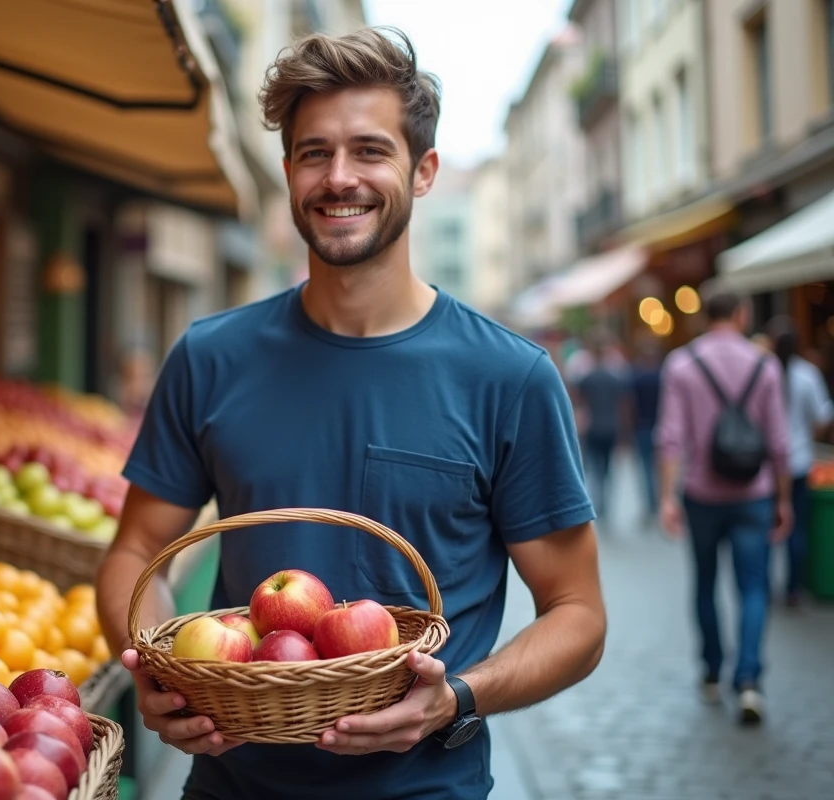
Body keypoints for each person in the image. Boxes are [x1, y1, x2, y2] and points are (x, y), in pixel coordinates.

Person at [96, 27, 607, 800]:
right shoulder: (210, 356)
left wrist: (457, 700)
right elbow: (134, 551)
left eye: (370, 151)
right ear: (289, 171)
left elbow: (577, 613)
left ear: (423, 170)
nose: (341, 178)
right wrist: (157, 677)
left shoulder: (508, 376)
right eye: (314, 153)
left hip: (427, 789)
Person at [656, 281, 791, 725]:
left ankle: (712, 672)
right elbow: (779, 442)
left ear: (704, 315)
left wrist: (666, 497)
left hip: (701, 494)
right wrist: (785, 499)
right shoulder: (765, 364)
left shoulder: (682, 364)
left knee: (705, 584)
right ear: (741, 316)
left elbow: (670, 438)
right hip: (754, 494)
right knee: (754, 587)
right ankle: (749, 679)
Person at [768, 317, 833, 606]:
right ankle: (793, 587)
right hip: (798, 461)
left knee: (765, 526)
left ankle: (762, 584)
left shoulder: (764, 371)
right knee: (797, 527)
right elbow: (821, 418)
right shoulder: (807, 375)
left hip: (766, 465)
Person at [571, 329, 631, 522]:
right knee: (606, 468)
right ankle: (604, 503)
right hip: (611, 427)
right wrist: (625, 431)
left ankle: (597, 501)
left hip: (592, 427)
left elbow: (577, 402)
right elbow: (623, 406)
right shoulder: (615, 378)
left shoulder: (586, 378)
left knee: (593, 467)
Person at [630, 337, 663, 524]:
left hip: (642, 426)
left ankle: (651, 505)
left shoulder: (637, 375)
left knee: (645, 469)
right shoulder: (662, 375)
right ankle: (659, 502)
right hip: (659, 425)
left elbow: (630, 405)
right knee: (657, 467)